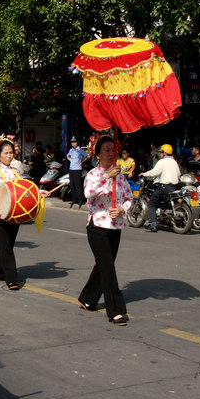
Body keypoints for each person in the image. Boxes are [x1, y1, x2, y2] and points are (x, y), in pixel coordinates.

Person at [0, 135, 49, 290]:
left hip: (14, 212)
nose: (9, 156)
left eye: (11, 152)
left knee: (8, 244)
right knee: (5, 245)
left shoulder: (16, 172)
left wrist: (39, 192)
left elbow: (25, 189)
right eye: (6, 153)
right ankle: (11, 279)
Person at [78, 135, 133, 326]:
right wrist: (106, 177)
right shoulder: (93, 174)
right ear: (98, 154)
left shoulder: (121, 176)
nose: (110, 154)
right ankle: (115, 310)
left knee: (103, 265)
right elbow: (89, 194)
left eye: (113, 150)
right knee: (108, 267)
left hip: (115, 225)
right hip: (97, 226)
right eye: (106, 150)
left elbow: (129, 198)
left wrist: (122, 209)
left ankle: (87, 298)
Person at [141, 144, 181, 232]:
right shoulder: (174, 162)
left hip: (164, 186)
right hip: (173, 187)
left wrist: (144, 174)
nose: (160, 154)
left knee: (151, 204)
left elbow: (155, 172)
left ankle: (153, 225)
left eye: (161, 152)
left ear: (164, 153)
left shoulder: (162, 162)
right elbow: (178, 174)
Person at [66, 136, 89, 208]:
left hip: (77, 169)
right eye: (72, 142)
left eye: (74, 142)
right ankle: (74, 199)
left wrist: (82, 162)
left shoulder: (80, 150)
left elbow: (88, 156)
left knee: (77, 185)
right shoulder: (71, 150)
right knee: (72, 185)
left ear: (77, 142)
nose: (73, 143)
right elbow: (67, 156)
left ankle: (80, 199)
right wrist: (71, 161)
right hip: (71, 168)